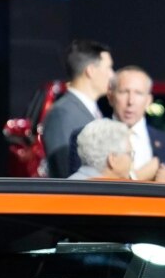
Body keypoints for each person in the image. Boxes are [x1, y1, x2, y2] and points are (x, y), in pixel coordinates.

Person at [70, 66, 165, 184]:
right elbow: (79, 187)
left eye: (138, 93)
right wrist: (138, 177)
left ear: (148, 100)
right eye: (124, 92)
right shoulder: (86, 137)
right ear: (110, 96)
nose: (131, 101)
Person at [44, 39, 114, 178]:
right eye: (108, 68)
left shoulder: (90, 110)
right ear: (91, 71)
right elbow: (66, 173)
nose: (112, 75)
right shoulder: (62, 114)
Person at [68, 119, 134, 181]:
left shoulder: (64, 188)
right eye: (130, 154)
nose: (132, 160)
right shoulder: (111, 191)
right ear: (112, 159)